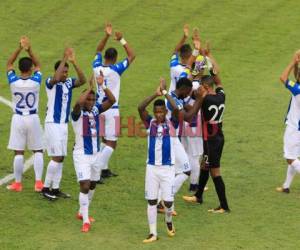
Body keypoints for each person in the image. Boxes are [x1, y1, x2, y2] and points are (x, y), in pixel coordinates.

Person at [71, 71, 116, 232]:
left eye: (93, 99)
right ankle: (85, 220)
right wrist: (89, 88)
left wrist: (102, 85)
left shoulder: (96, 110)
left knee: (93, 184)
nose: (91, 101)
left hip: (96, 154)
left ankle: (81, 211)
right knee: (85, 184)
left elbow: (112, 100)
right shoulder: (77, 113)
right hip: (81, 154)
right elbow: (78, 103)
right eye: (88, 99)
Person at [138, 80, 181, 243]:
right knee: (151, 200)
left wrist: (165, 94)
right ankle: (153, 233)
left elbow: (176, 110)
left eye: (161, 111)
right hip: (152, 168)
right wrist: (155, 94)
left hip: (167, 169)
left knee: (168, 202)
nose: (158, 114)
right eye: (156, 112)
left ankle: (168, 221)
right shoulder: (150, 123)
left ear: (165, 111)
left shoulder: (172, 123)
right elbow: (140, 108)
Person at [42, 48, 86, 200]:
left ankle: (55, 188)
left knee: (61, 158)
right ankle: (46, 187)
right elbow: (55, 78)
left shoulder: (68, 83)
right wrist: (64, 58)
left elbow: (83, 80)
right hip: (52, 124)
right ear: (57, 70)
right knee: (56, 157)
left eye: (67, 72)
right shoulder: (50, 82)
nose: (65, 74)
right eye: (63, 71)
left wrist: (73, 63)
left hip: (63, 125)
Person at [92, 22, 136, 178]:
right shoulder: (117, 69)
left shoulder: (96, 67)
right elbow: (132, 56)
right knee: (112, 143)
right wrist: (122, 39)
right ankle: (96, 168)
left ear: (104, 57)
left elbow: (97, 49)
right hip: (112, 108)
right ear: (116, 58)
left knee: (104, 138)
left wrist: (106, 35)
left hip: (99, 107)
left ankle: (103, 169)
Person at [183, 74, 230, 213]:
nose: (198, 90)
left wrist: (179, 103)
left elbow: (191, 112)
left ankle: (224, 206)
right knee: (204, 165)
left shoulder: (205, 100)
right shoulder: (221, 95)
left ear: (206, 87)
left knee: (215, 172)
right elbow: (219, 81)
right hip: (215, 137)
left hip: (212, 141)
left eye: (201, 87)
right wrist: (212, 66)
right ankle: (198, 196)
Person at [6, 36, 44, 192]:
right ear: (30, 69)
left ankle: (18, 183)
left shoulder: (13, 81)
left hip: (18, 118)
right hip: (33, 118)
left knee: (18, 152)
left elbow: (9, 64)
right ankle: (38, 183)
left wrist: (19, 48)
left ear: (20, 69)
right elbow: (39, 65)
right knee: (38, 150)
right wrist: (29, 50)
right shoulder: (36, 81)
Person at [276, 50, 300, 193]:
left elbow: (283, 77)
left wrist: (292, 62)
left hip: (294, 128)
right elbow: (297, 78)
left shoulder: (297, 90)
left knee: (290, 158)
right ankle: (286, 186)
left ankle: (286, 186)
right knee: (294, 156)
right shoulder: (297, 88)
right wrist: (297, 64)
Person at [169, 24, 192, 93]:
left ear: (180, 54)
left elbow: (175, 51)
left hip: (170, 98)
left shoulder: (174, 66)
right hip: (182, 101)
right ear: (191, 55)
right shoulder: (191, 71)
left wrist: (184, 37)